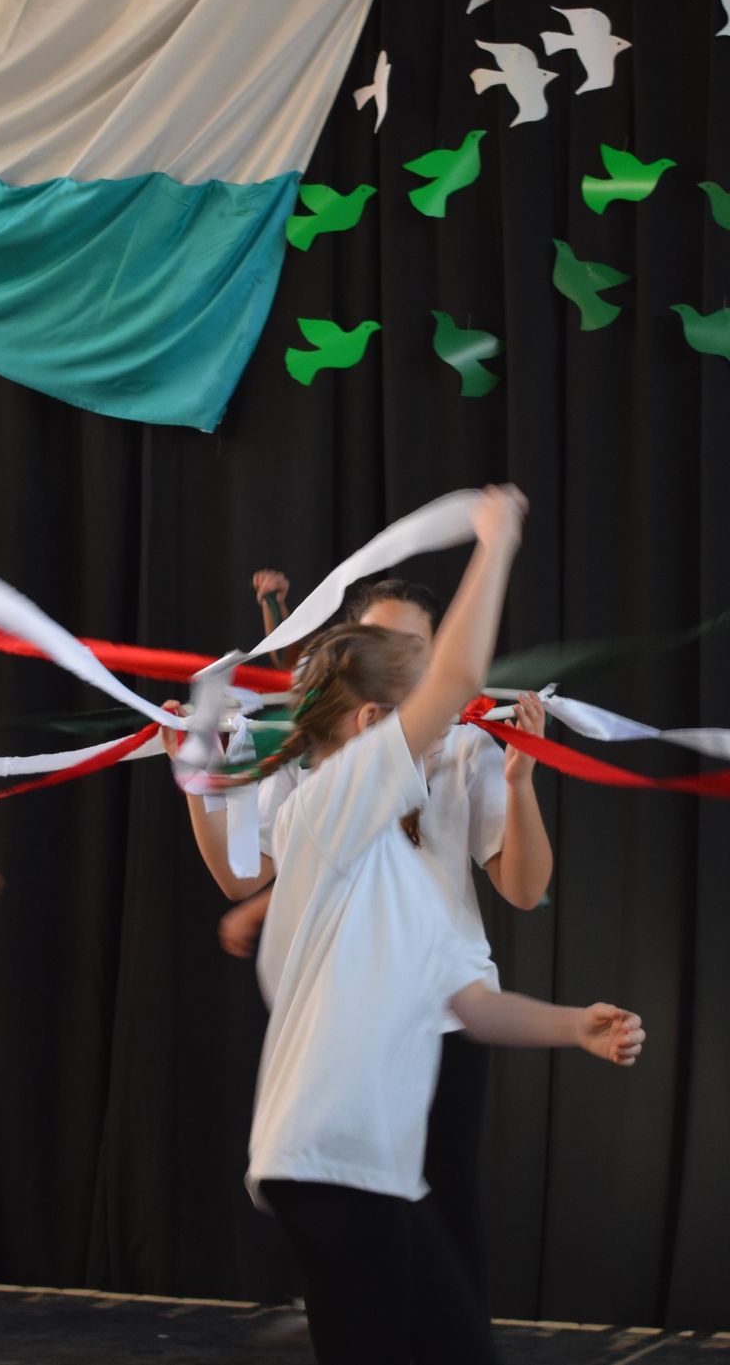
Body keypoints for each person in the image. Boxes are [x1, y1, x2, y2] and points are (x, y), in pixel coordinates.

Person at [247, 487, 643, 1363]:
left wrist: (574, 1025)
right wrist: (495, 543)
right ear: (369, 723)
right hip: (328, 1160)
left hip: (371, 1171)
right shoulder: (335, 796)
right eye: (412, 691)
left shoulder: (404, 876)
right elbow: (460, 678)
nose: (438, 704)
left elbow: (467, 1000)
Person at [185, 562, 552, 1301]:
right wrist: (197, 769)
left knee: (442, 1207)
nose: (399, 663)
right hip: (344, 1021)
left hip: (445, 1010)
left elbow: (523, 887)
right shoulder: (307, 756)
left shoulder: (466, 745)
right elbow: (241, 875)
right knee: (350, 1217)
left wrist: (520, 783)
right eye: (381, 645)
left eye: (417, 649)